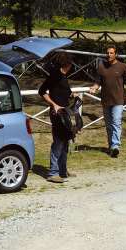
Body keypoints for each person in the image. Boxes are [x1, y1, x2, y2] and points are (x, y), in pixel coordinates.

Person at [39, 53, 76, 183]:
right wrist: (53, 104)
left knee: (65, 141)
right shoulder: (55, 76)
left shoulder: (63, 77)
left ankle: (62, 170)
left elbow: (62, 92)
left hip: (65, 112)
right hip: (57, 113)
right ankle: (52, 172)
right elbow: (42, 91)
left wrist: (71, 95)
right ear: (68, 64)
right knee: (59, 141)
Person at [89, 45, 126, 158]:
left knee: (116, 122)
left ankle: (115, 146)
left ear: (116, 54)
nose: (109, 55)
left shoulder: (123, 66)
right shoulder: (101, 67)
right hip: (106, 100)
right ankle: (111, 146)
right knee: (109, 125)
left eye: (111, 53)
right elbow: (97, 82)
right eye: (107, 53)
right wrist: (94, 88)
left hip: (118, 100)